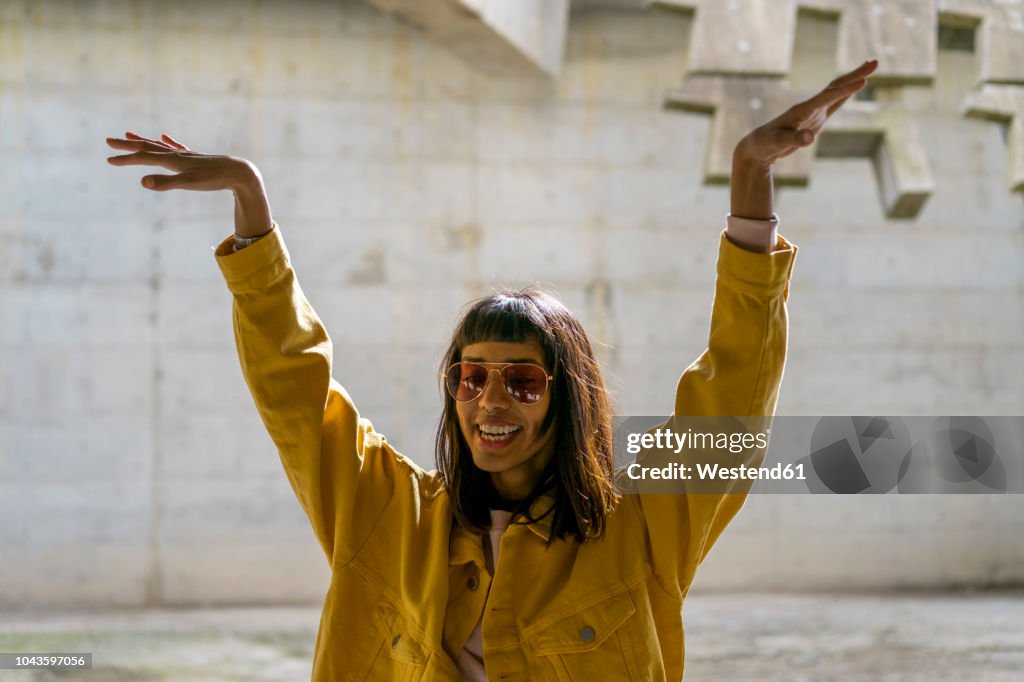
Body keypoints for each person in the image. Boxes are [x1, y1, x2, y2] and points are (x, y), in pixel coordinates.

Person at [107, 60, 878, 681]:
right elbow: (294, 387)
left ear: (567, 398)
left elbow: (732, 403)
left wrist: (751, 178)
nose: (491, 401)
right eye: (470, 377)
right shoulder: (384, 513)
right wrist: (251, 202)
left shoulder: (640, 528)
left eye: (524, 380)